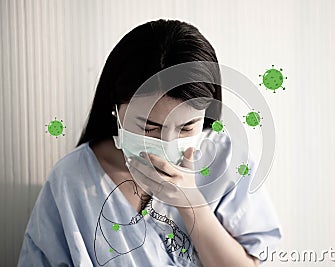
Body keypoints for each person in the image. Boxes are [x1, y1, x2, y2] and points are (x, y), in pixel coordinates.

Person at [18, 19, 281, 267]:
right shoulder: (71, 179)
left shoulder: (227, 161)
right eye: (149, 127)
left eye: (187, 127)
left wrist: (191, 205)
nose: (167, 143)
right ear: (116, 109)